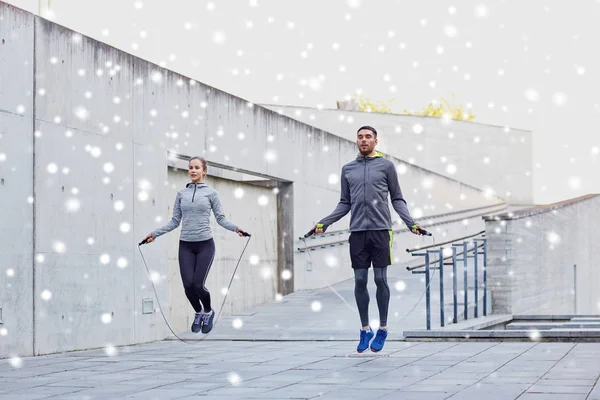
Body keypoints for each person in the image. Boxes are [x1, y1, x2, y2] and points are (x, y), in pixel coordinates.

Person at [313, 126, 423, 353]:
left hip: (381, 231)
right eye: (360, 137)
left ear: (376, 141)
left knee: (381, 279)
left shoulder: (386, 166)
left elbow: (397, 198)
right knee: (360, 280)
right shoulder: (348, 169)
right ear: (357, 141)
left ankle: (382, 328)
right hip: (358, 233)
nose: (364, 140)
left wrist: (410, 222)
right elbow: (345, 203)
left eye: (368, 137)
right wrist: (325, 222)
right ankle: (365, 329)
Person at [142, 156, 246, 334]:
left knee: (198, 284)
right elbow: (174, 221)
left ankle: (208, 311)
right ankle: (198, 312)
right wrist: (154, 234)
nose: (193, 170)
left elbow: (220, 219)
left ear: (204, 171)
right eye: (190, 168)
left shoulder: (211, 194)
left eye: (197, 168)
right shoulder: (181, 194)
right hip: (186, 246)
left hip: (205, 245)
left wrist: (236, 229)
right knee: (188, 286)